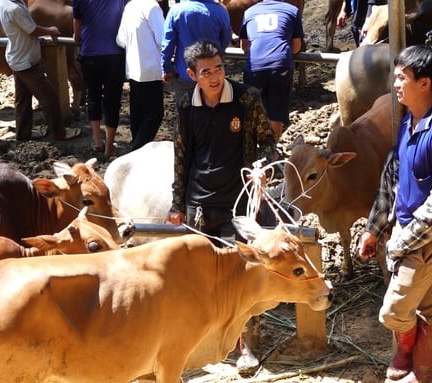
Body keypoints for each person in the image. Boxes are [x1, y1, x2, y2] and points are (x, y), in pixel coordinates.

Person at [358, 45, 432, 383]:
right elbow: (393, 178)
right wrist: (374, 229)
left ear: (424, 83)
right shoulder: (410, 120)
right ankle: (427, 370)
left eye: (402, 77)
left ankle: (407, 351)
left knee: (394, 311)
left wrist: (400, 242)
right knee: (425, 301)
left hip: (429, 234)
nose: (395, 84)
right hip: (406, 227)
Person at [166, 40, 277, 372]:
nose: (214, 77)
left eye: (218, 69)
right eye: (206, 72)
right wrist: (177, 203)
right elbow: (182, 155)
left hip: (238, 201)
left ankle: (246, 345)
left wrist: (262, 169)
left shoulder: (247, 98)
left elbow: (268, 144)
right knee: (201, 276)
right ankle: (204, 343)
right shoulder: (186, 103)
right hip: (199, 202)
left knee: (241, 275)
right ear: (192, 75)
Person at [0, 0, 80, 141]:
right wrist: (50, 30)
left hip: (16, 57)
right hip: (26, 62)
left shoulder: (1, 2)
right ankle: (59, 133)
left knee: (22, 100)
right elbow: (33, 30)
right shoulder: (15, 9)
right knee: (50, 96)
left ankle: (23, 134)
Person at [239, 0, 304, 139]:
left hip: (254, 64)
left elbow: (244, 46)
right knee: (276, 111)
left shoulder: (249, 12)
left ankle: (254, 149)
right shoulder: (292, 10)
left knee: (253, 109)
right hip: (280, 63)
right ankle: (271, 151)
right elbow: (296, 47)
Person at [73, 0, 127, 157]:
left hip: (89, 54)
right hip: (114, 54)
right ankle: (109, 146)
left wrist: (77, 37)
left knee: (93, 96)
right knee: (113, 99)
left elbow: (77, 23)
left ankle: (97, 141)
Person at [161, 0, 232, 105]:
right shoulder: (220, 11)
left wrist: (166, 68)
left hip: (185, 72)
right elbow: (226, 39)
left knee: (185, 112)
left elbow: (168, 43)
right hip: (212, 74)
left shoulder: (176, 10)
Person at [116, 0, 165, 152]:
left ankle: (136, 149)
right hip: (150, 70)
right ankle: (137, 150)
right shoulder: (152, 7)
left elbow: (121, 40)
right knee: (154, 115)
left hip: (133, 69)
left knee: (137, 114)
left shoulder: (130, 6)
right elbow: (163, 38)